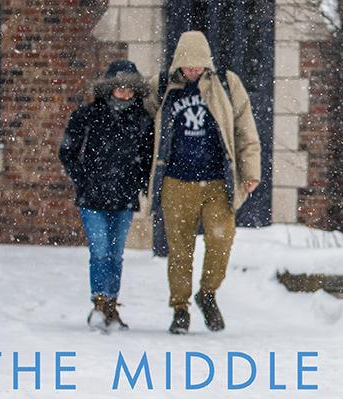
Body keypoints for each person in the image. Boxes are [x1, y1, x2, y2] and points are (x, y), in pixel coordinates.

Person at [150, 31, 261, 334]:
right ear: (178, 65)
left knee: (221, 240)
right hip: (176, 181)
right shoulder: (163, 87)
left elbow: (244, 128)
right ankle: (180, 309)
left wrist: (250, 171)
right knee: (179, 249)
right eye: (188, 67)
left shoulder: (226, 84)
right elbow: (146, 129)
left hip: (216, 180)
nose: (193, 71)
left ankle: (208, 293)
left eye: (199, 67)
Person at [59, 59, 155, 332]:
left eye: (129, 89)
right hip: (92, 197)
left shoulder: (142, 121)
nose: (124, 94)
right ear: (108, 89)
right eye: (119, 88)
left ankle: (111, 303)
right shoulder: (87, 116)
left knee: (115, 253)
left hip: (124, 197)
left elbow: (147, 158)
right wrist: (83, 178)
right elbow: (68, 151)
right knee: (99, 251)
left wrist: (140, 183)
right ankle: (100, 301)